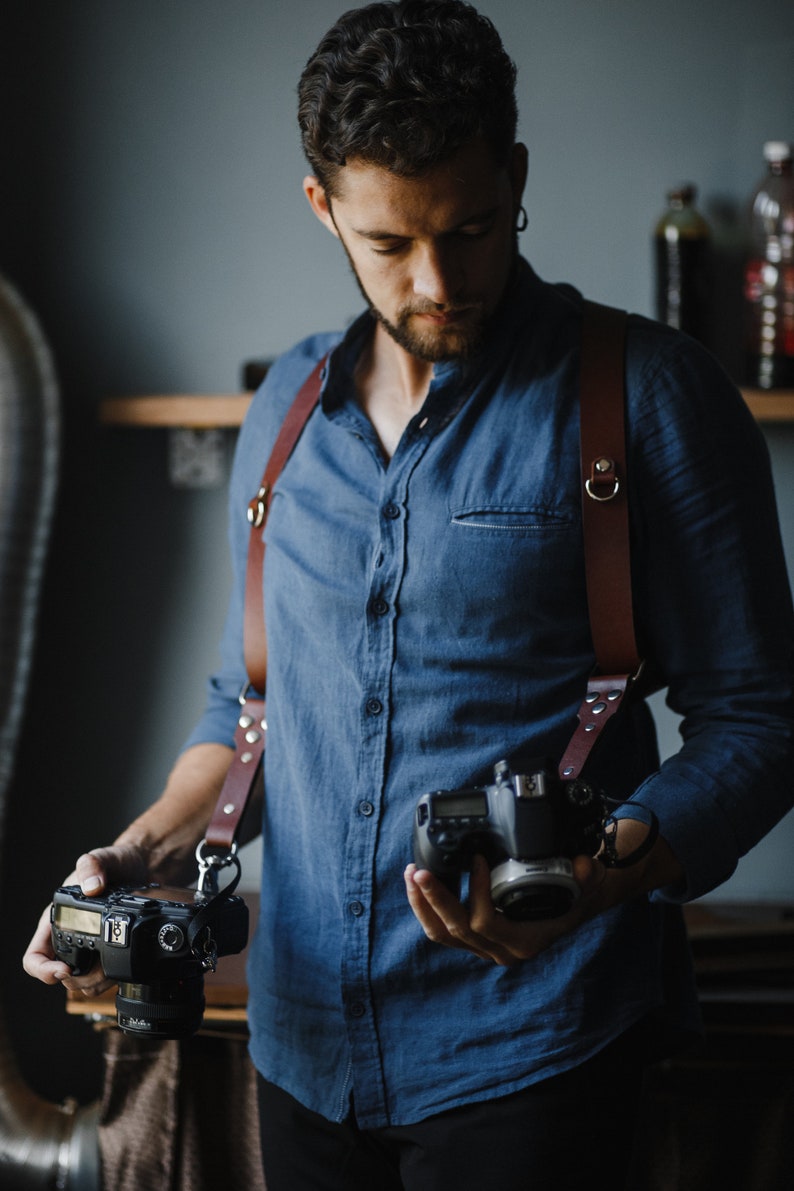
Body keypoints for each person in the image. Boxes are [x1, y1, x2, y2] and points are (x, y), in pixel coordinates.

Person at [24, 2, 794, 1187]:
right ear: (323, 207)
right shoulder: (280, 414)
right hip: (299, 1044)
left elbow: (760, 720)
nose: (437, 280)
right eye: (390, 244)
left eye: (473, 228)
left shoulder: (650, 399)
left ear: (515, 175)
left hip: (533, 1047)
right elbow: (250, 708)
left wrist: (600, 880)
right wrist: (132, 858)